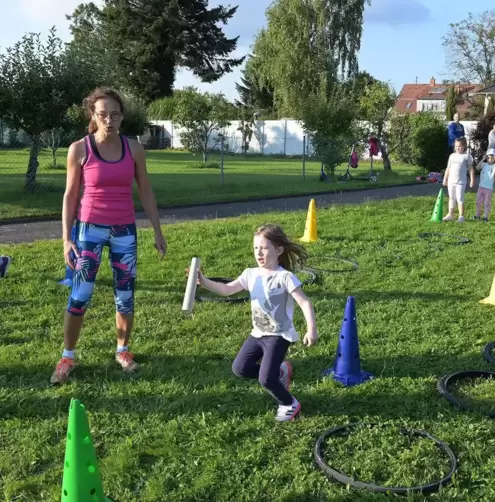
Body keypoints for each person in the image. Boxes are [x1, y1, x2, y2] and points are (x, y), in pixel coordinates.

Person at [52, 87, 167, 385]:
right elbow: (70, 196)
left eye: (115, 114)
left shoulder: (134, 149)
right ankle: (67, 356)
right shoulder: (79, 149)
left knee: (125, 297)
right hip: (89, 231)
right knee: (79, 296)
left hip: (124, 232)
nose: (109, 120)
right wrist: (67, 238)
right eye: (103, 114)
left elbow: (146, 191)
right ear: (93, 115)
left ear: (122, 116)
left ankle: (123, 350)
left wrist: (157, 230)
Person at [195, 224, 318, 422]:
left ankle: (289, 403)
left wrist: (311, 329)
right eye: (255, 248)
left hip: (279, 335)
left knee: (265, 379)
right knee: (240, 369)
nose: (259, 253)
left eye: (265, 248)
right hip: (258, 333)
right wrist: (204, 281)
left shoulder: (284, 277)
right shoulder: (250, 274)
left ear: (279, 250)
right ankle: (281, 372)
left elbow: (304, 302)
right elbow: (227, 290)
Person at [442, 137, 475, 222]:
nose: (457, 148)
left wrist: (472, 180)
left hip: (461, 181)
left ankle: (461, 216)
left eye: (460, 146)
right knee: (451, 197)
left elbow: (471, 169)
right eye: (456, 146)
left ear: (464, 146)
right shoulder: (452, 156)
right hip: (451, 181)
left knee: (460, 198)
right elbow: (448, 168)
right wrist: (445, 179)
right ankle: (450, 214)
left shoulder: (467, 156)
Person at [474, 148, 495, 221]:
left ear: (494, 158)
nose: (490, 159)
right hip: (481, 186)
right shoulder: (484, 164)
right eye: (488, 157)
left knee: (487, 202)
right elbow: (477, 167)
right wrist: (483, 159)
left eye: (492, 158)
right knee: (478, 201)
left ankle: (485, 216)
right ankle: (477, 215)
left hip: (489, 188)